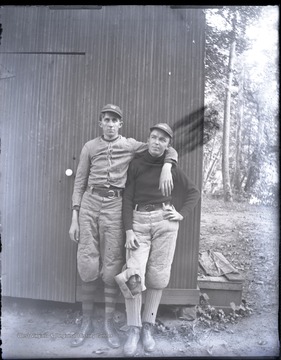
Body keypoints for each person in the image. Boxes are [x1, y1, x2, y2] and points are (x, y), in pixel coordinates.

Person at [68, 105, 178, 348]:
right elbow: (79, 182)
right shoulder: (89, 147)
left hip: (115, 206)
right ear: (100, 123)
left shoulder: (130, 145)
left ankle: (108, 323)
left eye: (114, 120)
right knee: (87, 261)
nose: (110, 124)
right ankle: (86, 321)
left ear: (120, 124)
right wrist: (75, 216)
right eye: (106, 120)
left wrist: (169, 165)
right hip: (89, 203)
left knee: (111, 264)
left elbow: (162, 147)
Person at [115, 123, 200, 356]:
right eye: (153, 137)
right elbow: (127, 199)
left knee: (158, 275)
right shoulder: (137, 164)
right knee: (133, 273)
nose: (157, 142)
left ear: (167, 145)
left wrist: (181, 213)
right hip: (139, 221)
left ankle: (147, 328)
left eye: (162, 139)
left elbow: (193, 192)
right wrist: (129, 230)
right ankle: (133, 328)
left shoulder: (171, 167)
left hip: (165, 222)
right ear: (148, 139)